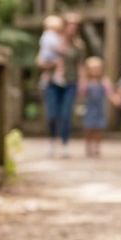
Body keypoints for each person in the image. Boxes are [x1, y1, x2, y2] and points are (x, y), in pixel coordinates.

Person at [37, 12, 85, 157]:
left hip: (70, 83)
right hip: (52, 82)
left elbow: (80, 66)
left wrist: (82, 83)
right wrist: (51, 63)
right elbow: (40, 61)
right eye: (70, 24)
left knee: (66, 114)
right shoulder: (52, 40)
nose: (72, 28)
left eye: (75, 25)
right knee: (52, 114)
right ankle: (52, 142)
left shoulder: (78, 45)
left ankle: (65, 144)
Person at [79, 56, 113, 157]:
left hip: (100, 109)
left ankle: (97, 146)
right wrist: (82, 78)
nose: (96, 71)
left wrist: (116, 100)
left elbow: (109, 93)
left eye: (98, 68)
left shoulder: (104, 81)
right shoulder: (86, 82)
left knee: (98, 128)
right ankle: (88, 145)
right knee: (88, 128)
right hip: (89, 108)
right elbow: (82, 92)